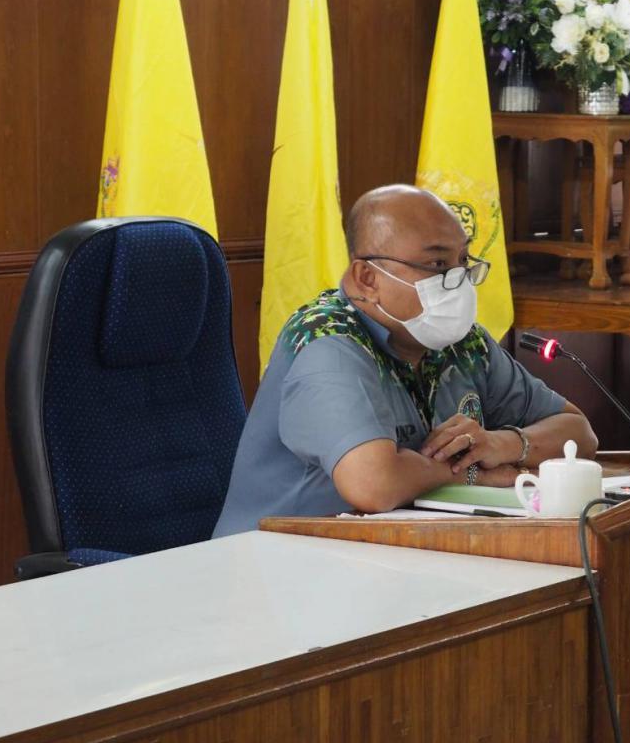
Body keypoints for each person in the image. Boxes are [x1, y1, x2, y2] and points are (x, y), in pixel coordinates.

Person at [213, 185, 597, 537]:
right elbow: (374, 484)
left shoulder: (461, 343)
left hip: (387, 551)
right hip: (279, 561)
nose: (459, 280)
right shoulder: (327, 340)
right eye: (438, 265)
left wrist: (505, 444)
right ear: (367, 278)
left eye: (464, 260)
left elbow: (579, 433)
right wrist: (471, 473)